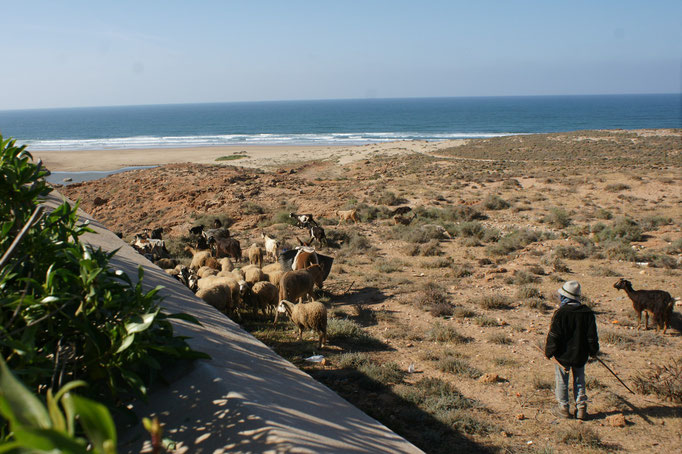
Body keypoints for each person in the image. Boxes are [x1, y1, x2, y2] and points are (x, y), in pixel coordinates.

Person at [545, 281, 599, 420]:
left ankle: (563, 408)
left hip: (563, 355)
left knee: (562, 381)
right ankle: (581, 409)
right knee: (580, 380)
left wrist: (549, 351)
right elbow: (592, 337)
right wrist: (593, 351)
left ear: (565, 298)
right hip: (580, 354)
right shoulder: (587, 313)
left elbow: (554, 335)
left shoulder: (561, 313)